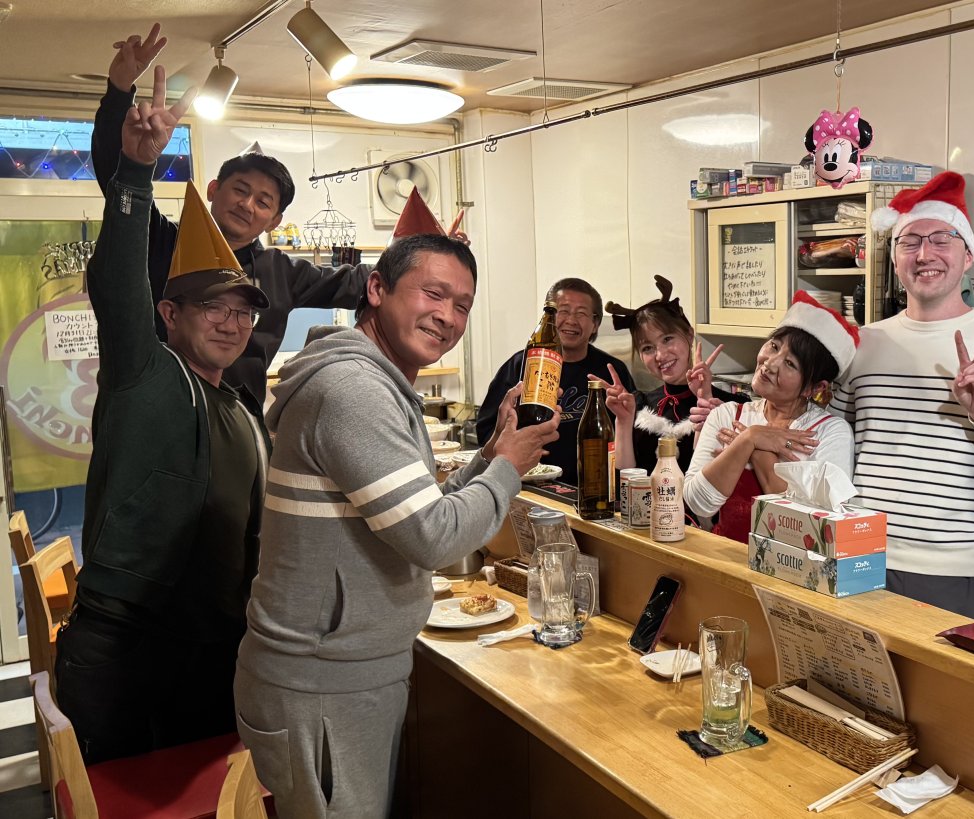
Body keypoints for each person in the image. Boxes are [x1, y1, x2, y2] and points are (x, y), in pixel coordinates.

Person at [235, 229, 558, 817]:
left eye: (462, 305)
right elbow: (434, 538)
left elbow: (423, 512)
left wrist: (491, 454)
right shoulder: (354, 389)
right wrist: (509, 468)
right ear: (377, 289)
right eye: (433, 293)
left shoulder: (373, 381)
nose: (448, 316)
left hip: (340, 668)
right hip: (321, 679)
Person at [55, 70, 270, 764]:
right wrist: (137, 172)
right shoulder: (147, 373)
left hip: (213, 649)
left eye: (243, 311)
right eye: (213, 307)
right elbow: (119, 283)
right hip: (129, 653)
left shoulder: (239, 408)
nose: (231, 323)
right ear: (169, 313)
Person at [93, 23, 371, 408]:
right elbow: (119, 184)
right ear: (213, 190)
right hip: (156, 414)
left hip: (240, 423)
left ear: (274, 221)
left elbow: (362, 283)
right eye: (240, 190)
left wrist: (432, 254)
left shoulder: (281, 271)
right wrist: (119, 91)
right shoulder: (163, 242)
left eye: (263, 202)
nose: (247, 205)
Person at [829, 172, 974, 622]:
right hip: (858, 557)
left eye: (941, 239)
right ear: (894, 261)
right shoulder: (860, 345)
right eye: (909, 242)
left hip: (958, 575)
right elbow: (831, 453)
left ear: (968, 255)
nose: (924, 254)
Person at [684, 292, 858, 542]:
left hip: (790, 575)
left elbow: (814, 530)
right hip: (723, 563)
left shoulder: (828, 433)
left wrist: (756, 449)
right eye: (774, 346)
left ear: (814, 388)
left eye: (790, 364)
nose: (770, 363)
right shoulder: (727, 415)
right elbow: (698, 503)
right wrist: (751, 438)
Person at [476, 277, 635, 484]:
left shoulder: (612, 371)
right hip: (527, 487)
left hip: (594, 491)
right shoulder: (522, 365)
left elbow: (630, 435)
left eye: (581, 313)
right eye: (563, 310)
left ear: (595, 324)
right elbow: (487, 432)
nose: (571, 320)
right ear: (549, 317)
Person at [603, 274, 742, 473]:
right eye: (648, 348)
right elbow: (624, 481)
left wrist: (706, 402)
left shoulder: (731, 406)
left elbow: (713, 482)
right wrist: (623, 422)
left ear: (689, 334)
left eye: (667, 339)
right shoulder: (638, 404)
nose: (660, 355)